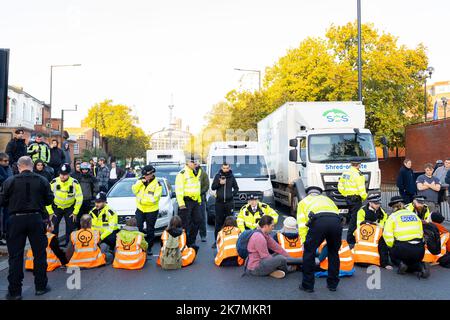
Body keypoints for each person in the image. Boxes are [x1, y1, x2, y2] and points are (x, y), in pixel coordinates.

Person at [0, 156, 54, 300]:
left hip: (16, 219)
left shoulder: (9, 181)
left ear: (19, 166)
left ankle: (15, 291)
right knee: (39, 254)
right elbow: (50, 199)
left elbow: (2, 200)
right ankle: (41, 286)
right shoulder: (42, 180)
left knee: (15, 256)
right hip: (36, 219)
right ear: (32, 166)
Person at [297, 186, 343, 293]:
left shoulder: (304, 201)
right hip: (336, 222)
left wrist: (304, 241)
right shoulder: (328, 200)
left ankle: (307, 285)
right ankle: (332, 285)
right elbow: (337, 213)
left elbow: (302, 224)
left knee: (309, 253)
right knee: (333, 252)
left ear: (308, 193)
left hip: (318, 221)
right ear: (319, 193)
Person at [383, 196, 428, 278]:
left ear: (393, 207)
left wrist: (391, 246)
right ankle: (420, 266)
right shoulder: (414, 215)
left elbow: (387, 235)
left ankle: (401, 264)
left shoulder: (393, 217)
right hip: (419, 249)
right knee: (413, 259)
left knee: (394, 255)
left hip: (403, 248)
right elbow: (421, 233)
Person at [46, 164, 83, 247]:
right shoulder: (54, 182)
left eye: (65, 174)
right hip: (56, 208)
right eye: (61, 174)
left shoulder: (74, 183)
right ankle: (53, 246)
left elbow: (79, 198)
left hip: (69, 208)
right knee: (53, 228)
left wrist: (75, 212)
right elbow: (46, 197)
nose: (62, 176)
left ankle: (68, 246)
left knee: (70, 228)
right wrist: (50, 212)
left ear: (69, 174)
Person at [354, 194, 391, 268]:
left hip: (377, 232)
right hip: (364, 233)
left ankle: (384, 263)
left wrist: (378, 227)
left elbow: (384, 223)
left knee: (383, 245)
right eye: (376, 203)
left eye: (379, 203)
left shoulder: (381, 211)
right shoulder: (362, 211)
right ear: (370, 203)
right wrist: (374, 224)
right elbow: (360, 225)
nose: (378, 205)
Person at [132, 165, 162, 255]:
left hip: (151, 210)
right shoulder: (140, 181)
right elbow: (134, 190)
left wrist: (141, 201)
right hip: (140, 209)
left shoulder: (157, 184)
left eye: (147, 175)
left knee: (150, 229)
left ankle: (149, 247)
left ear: (152, 174)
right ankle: (139, 245)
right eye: (144, 175)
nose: (145, 176)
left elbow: (154, 199)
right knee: (138, 227)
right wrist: (140, 182)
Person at [338, 160, 367, 245]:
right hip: (356, 199)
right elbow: (361, 188)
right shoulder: (358, 174)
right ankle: (350, 239)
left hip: (348, 198)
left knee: (351, 217)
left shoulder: (345, 173)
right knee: (355, 220)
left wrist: (345, 194)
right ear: (358, 165)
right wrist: (365, 197)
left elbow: (340, 186)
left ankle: (351, 238)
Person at [175, 157, 202, 248]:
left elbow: (197, 187)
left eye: (196, 161)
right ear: (187, 163)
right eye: (192, 162)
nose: (195, 163)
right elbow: (179, 190)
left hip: (195, 201)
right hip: (185, 201)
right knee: (184, 224)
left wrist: (198, 200)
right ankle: (184, 243)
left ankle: (191, 241)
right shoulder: (182, 174)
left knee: (198, 220)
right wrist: (181, 204)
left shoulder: (196, 172)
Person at [211, 162, 239, 246]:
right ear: (221, 168)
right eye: (224, 168)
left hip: (229, 203)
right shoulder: (217, 176)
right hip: (219, 203)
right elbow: (213, 187)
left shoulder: (231, 177)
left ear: (229, 168)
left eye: (227, 168)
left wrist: (231, 195)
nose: (225, 170)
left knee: (230, 222)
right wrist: (220, 183)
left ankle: (230, 240)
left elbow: (236, 188)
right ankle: (216, 241)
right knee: (218, 223)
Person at [0, 153, 13, 245]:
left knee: (7, 215)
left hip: (7, 195)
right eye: (5, 161)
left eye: (8, 160)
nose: (7, 162)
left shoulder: (9, 168)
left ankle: (5, 233)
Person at [196, 162, 210, 243]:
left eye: (196, 163)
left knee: (202, 218)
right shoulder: (189, 173)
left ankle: (203, 235)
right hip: (191, 200)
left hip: (201, 198)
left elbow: (206, 185)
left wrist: (200, 192)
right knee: (192, 219)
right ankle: (192, 235)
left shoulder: (203, 174)